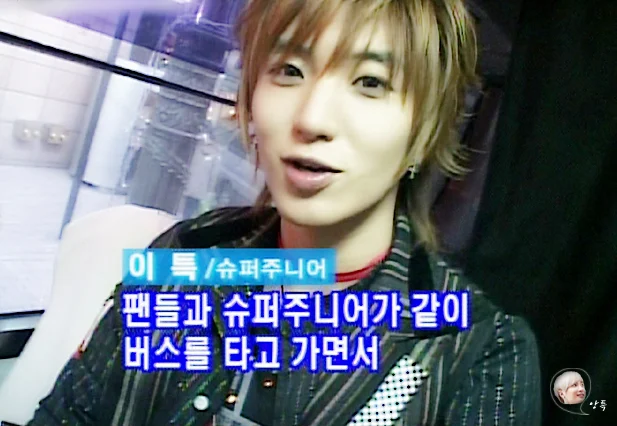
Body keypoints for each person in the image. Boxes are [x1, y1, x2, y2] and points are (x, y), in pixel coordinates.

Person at [27, 0, 542, 425]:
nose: (312, 119)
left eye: (370, 82)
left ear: (424, 133)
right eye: (289, 71)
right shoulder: (186, 256)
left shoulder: (477, 352)